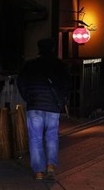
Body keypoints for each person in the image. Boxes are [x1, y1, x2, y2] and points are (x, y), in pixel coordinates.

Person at [18, 38, 71, 181]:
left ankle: (38, 172)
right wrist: (62, 100)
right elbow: (66, 85)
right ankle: (50, 166)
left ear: (39, 49)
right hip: (53, 106)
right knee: (52, 136)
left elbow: (21, 83)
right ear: (53, 49)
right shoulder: (60, 65)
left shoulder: (30, 65)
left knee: (35, 138)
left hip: (34, 105)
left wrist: (28, 97)